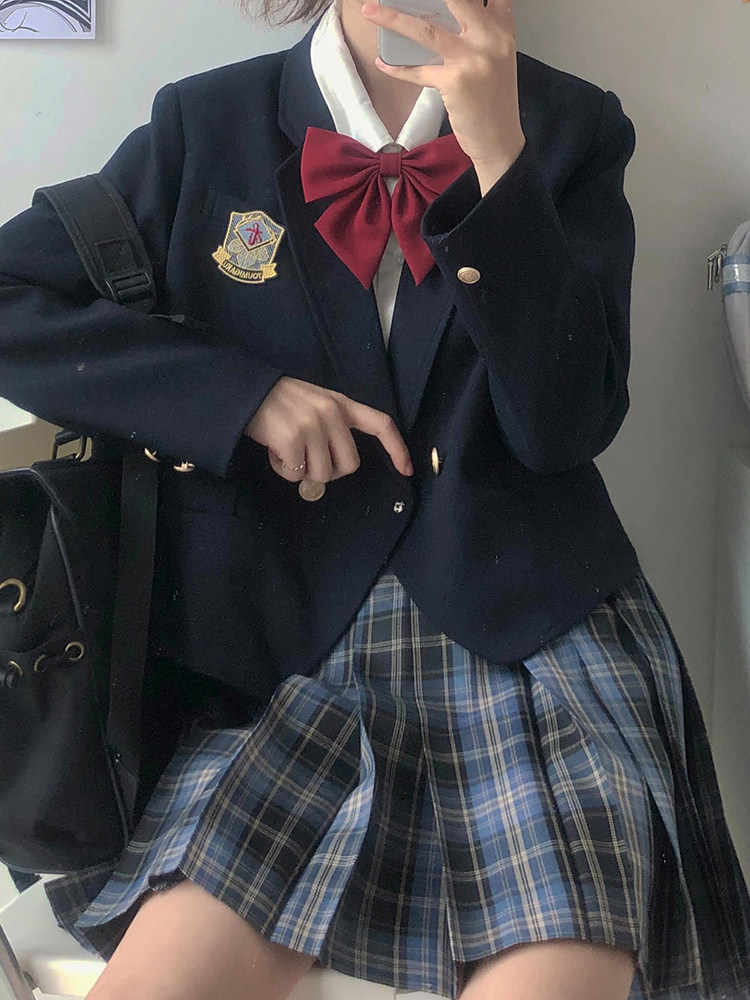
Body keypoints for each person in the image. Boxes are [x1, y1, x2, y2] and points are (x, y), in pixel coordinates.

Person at [0, 0, 749, 997]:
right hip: (274, 653)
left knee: (560, 966)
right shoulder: (207, 123)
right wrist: (239, 398)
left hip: (530, 635)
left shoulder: (573, 126)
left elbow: (565, 427)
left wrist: (501, 165)